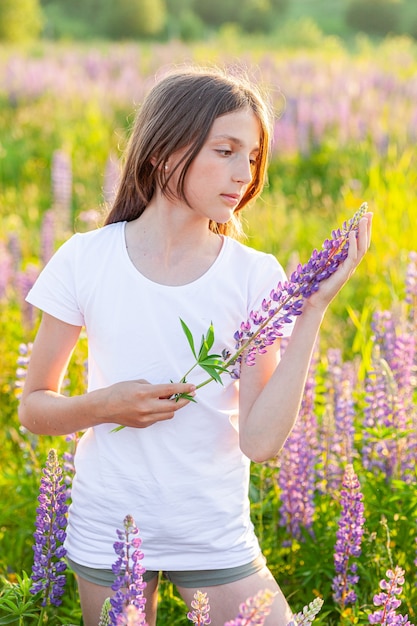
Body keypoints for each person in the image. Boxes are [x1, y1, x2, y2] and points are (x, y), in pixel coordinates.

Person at [19, 66, 372, 626]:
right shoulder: (87, 257)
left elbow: (259, 443)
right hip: (111, 528)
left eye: (252, 157)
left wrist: (311, 311)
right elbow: (34, 406)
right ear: (164, 152)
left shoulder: (255, 276)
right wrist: (105, 406)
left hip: (212, 531)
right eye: (225, 151)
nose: (244, 174)